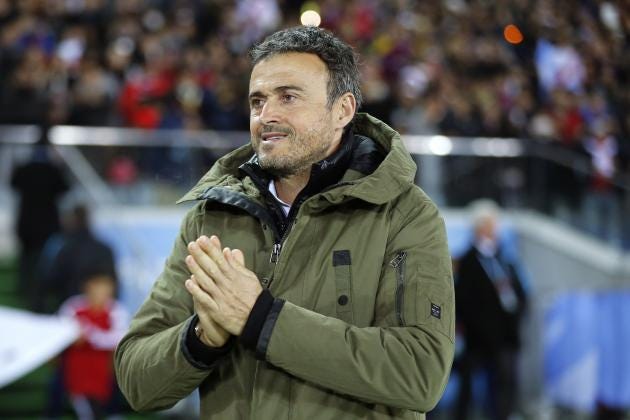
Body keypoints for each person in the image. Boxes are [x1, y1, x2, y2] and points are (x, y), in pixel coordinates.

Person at [115, 26, 454, 419]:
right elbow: (135, 381)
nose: (267, 116)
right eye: (257, 101)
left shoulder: (404, 214)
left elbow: (420, 373)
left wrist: (261, 319)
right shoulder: (211, 217)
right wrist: (202, 337)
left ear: (342, 110)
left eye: (288, 97)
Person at [454, 200, 528, 420]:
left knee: (504, 386)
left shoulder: (503, 259)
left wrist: (516, 317)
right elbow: (464, 300)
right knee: (468, 386)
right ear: (478, 228)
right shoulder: (467, 261)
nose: (494, 231)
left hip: (505, 336)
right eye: (489, 226)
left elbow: (519, 293)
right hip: (477, 338)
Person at [59, 271, 129, 420]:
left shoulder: (117, 309)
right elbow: (62, 332)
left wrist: (89, 334)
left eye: (106, 286)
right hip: (77, 366)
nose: (102, 291)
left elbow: (119, 338)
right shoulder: (72, 306)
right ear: (88, 287)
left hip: (105, 367)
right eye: (97, 286)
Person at [10, 144, 69, 310]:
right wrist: (61, 167)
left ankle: (25, 290)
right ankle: (38, 295)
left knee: (28, 259)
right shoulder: (53, 170)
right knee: (44, 261)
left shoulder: (25, 169)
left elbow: (13, 184)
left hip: (27, 224)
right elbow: (65, 188)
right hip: (46, 225)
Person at [35, 204, 118, 313]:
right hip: (87, 309)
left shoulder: (65, 248)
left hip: (73, 309)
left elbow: (49, 281)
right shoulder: (104, 249)